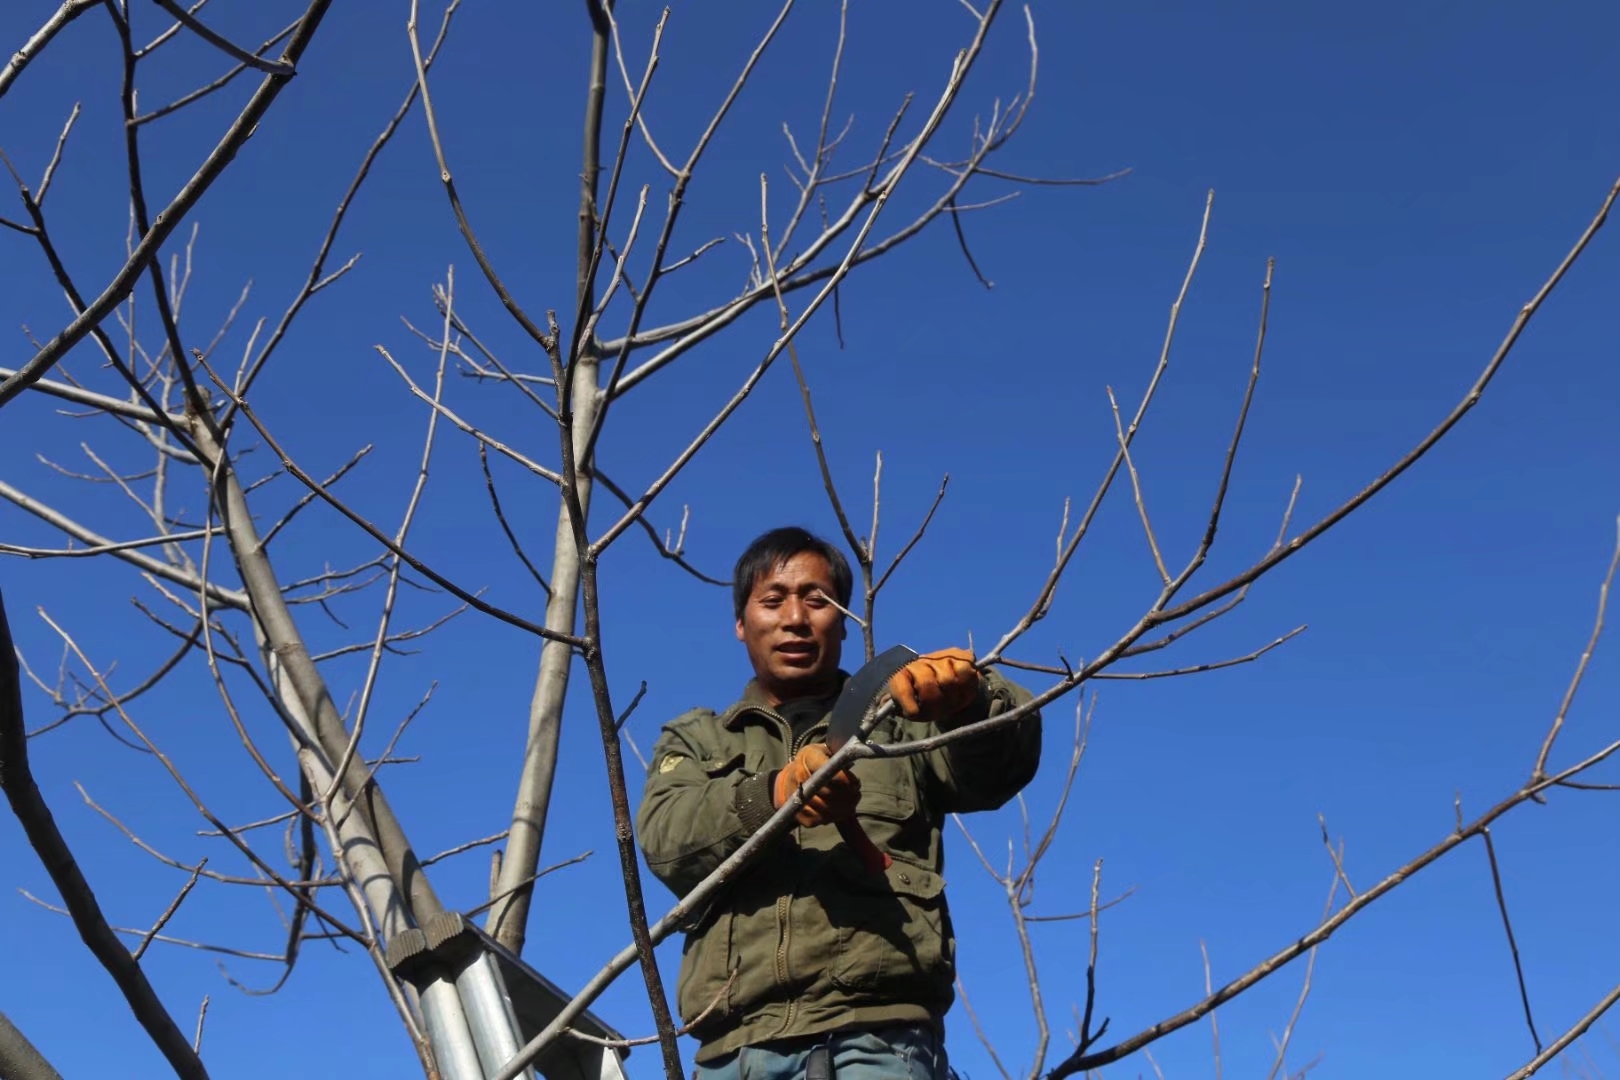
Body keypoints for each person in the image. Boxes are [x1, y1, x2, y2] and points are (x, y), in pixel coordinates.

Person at [636, 526, 1043, 1079]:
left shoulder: (899, 718)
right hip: (734, 1052)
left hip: (880, 1036)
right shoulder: (698, 738)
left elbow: (998, 770)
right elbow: (664, 842)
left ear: (846, 620)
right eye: (773, 600)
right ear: (741, 623)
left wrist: (971, 700)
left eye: (818, 600)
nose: (796, 619)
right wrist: (775, 796)